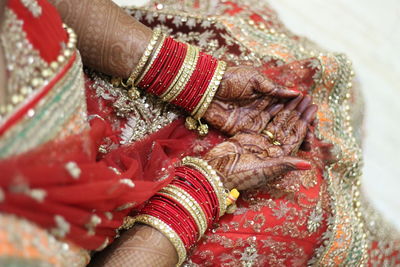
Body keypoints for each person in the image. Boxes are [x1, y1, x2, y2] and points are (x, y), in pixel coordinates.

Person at [0, 1, 398, 267]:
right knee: (305, 199)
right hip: (132, 238)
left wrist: (191, 77)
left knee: (292, 79)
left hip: (98, 68)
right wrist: (207, 187)